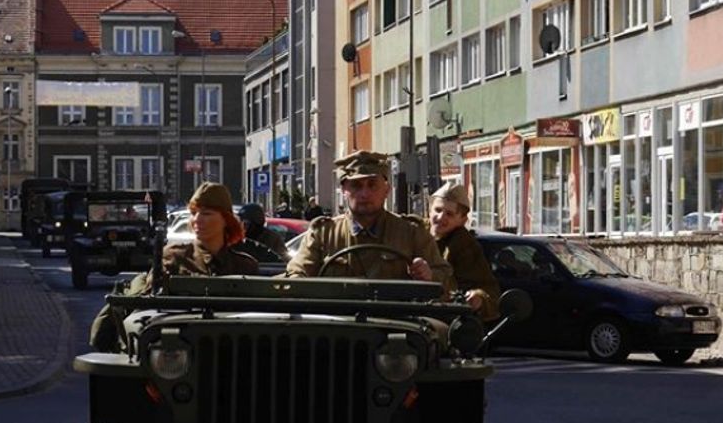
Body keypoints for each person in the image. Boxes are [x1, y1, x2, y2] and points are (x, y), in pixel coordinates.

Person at [90, 182, 259, 352]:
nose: (197, 219)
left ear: (226, 220)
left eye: (207, 213)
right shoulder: (173, 258)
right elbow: (147, 309)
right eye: (194, 213)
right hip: (178, 351)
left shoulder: (245, 266)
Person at [286, 151, 453, 288]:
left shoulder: (411, 232)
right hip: (338, 322)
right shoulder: (324, 233)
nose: (364, 194)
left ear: (387, 189)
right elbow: (297, 273)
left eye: (372, 185)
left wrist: (429, 275)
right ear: (344, 190)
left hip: (395, 323)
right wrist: (298, 284)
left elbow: (447, 280)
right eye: (356, 186)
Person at [428, 182, 500, 321]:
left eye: (449, 214)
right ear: (429, 210)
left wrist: (478, 298)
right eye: (437, 210)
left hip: (444, 317)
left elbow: (489, 290)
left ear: (462, 220)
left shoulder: (465, 246)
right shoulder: (413, 233)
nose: (441, 217)